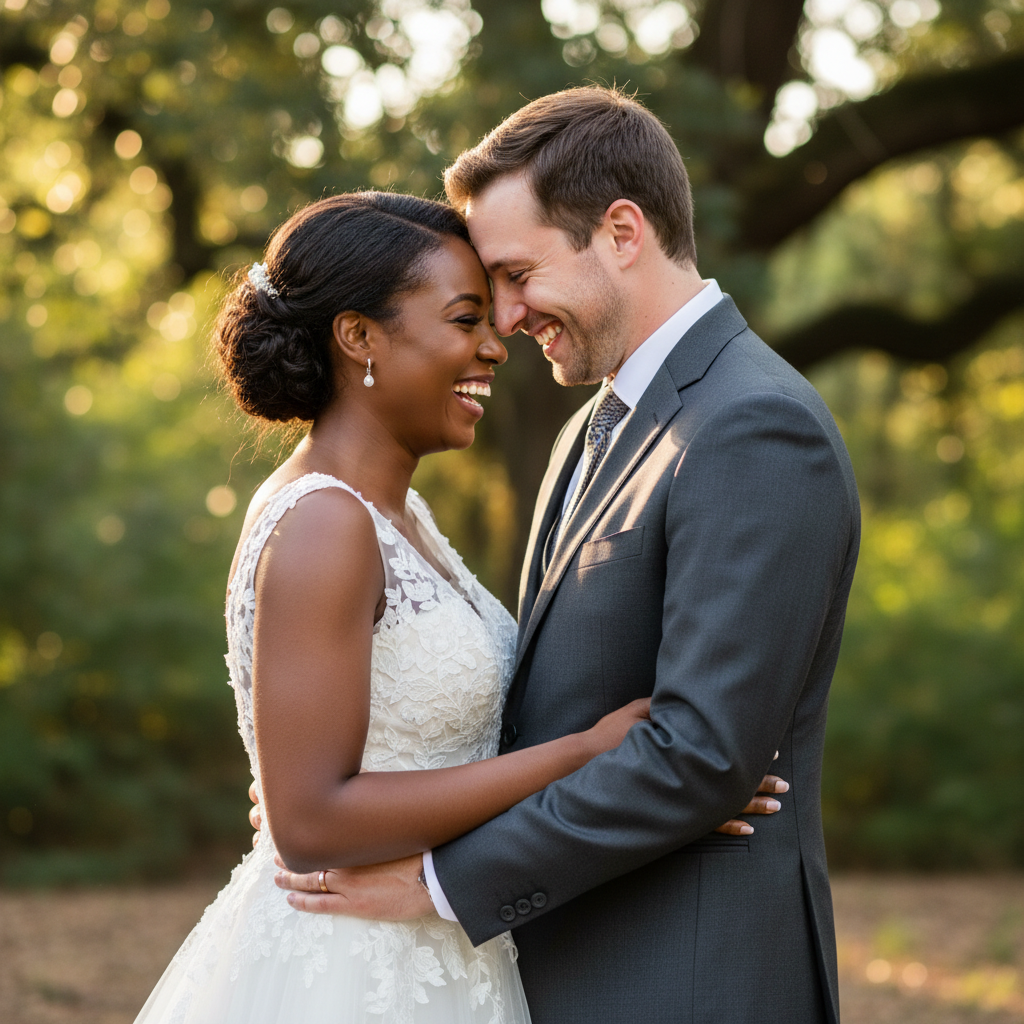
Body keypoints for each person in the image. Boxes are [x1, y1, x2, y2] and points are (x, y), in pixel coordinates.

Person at [276, 88, 860, 1024]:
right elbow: (549, 719)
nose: (504, 319)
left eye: (516, 275)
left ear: (621, 232)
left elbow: (703, 756)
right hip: (562, 968)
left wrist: (437, 880)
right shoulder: (587, 431)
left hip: (688, 978)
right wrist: (345, 803)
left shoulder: (755, 425)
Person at [133, 190, 786, 1024]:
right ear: (360, 337)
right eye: (464, 317)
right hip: (349, 970)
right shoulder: (325, 523)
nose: (495, 344)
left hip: (441, 948)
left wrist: (666, 785)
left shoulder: (401, 516)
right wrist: (587, 753)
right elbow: (311, 821)